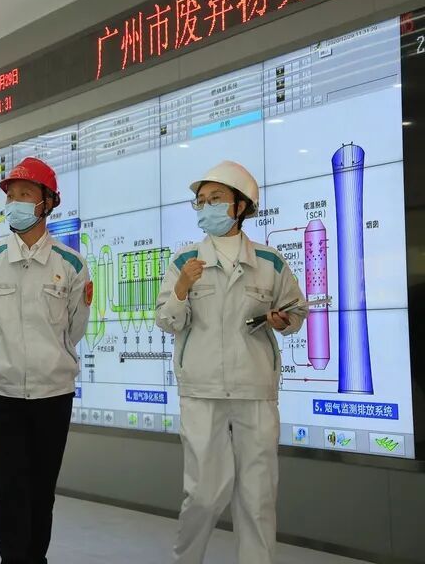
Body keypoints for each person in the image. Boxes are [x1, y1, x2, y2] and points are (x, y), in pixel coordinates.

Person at [156, 161, 304, 564]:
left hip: (255, 389)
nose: (207, 207)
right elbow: (167, 320)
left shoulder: (270, 262)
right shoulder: (185, 260)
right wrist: (182, 288)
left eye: (216, 199)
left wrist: (283, 319)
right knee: (203, 494)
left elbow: (296, 312)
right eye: (201, 201)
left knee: (258, 498)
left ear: (240, 206)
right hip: (201, 390)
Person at [0, 156, 91, 564]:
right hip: (1, 391)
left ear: (47, 203)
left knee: (41, 488)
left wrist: (49, 359)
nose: (15, 202)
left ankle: (35, 558)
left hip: (53, 392)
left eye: (25, 194)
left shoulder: (72, 264)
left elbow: (75, 327)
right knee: (9, 487)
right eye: (11, 196)